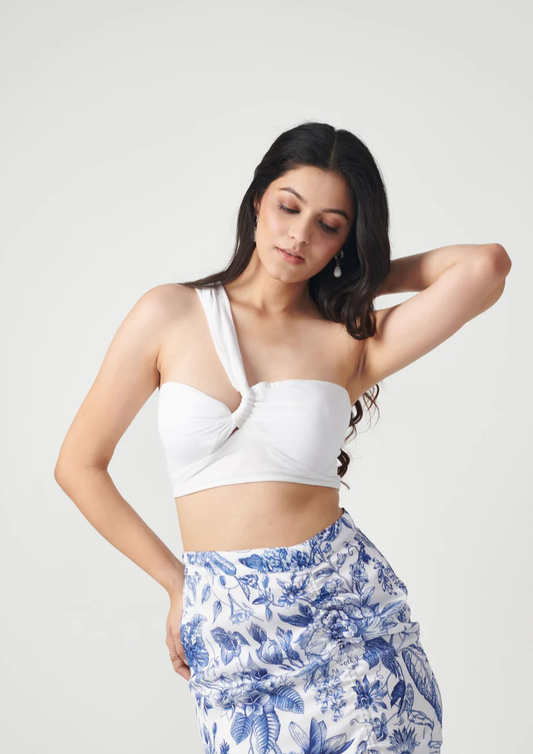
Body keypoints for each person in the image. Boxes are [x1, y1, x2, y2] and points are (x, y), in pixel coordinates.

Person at [54, 121, 511, 753]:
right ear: (256, 202)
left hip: (352, 638)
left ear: (347, 239)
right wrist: (177, 583)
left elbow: (485, 266)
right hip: (230, 639)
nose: (299, 235)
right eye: (288, 208)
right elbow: (78, 465)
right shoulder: (169, 313)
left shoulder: (348, 340)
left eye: (329, 225)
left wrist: (354, 278)